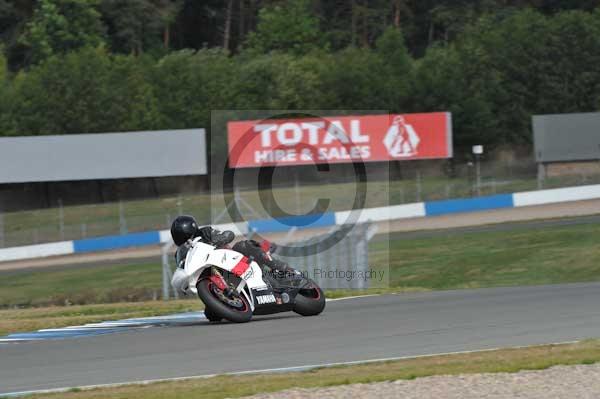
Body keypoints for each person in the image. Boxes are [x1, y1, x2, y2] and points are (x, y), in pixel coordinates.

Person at [170, 215, 293, 275]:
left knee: (242, 246)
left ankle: (279, 266)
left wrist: (221, 238)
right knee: (212, 314)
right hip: (212, 274)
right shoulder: (181, 252)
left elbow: (227, 234)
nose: (184, 239)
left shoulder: (205, 233)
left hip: (232, 260)